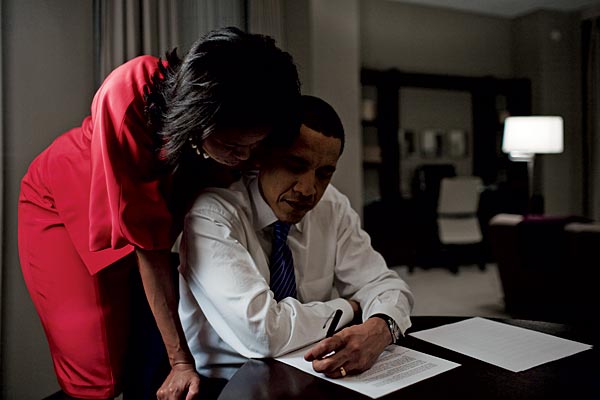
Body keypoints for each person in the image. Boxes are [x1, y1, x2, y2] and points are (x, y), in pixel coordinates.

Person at [18, 27, 300, 400]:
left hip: (153, 211)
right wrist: (181, 361)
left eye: (255, 146)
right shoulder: (129, 94)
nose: (245, 159)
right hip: (66, 200)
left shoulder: (252, 113)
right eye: (233, 146)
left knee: (143, 349)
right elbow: (149, 249)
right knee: (96, 370)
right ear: (199, 122)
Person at [178, 95, 414, 388]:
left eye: (324, 174)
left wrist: (381, 327)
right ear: (260, 155)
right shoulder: (212, 215)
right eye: (294, 165)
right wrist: (351, 307)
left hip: (314, 372)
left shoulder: (332, 206)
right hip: (230, 383)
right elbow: (263, 334)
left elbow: (387, 285)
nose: (308, 189)